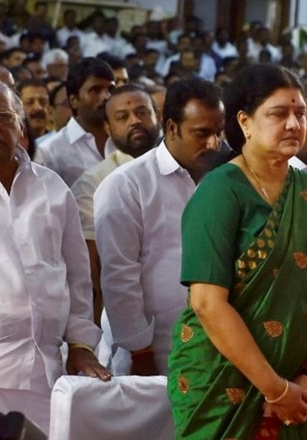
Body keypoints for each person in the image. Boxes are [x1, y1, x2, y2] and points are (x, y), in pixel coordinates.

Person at [167, 64, 307, 439]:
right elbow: (207, 303)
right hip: (220, 381)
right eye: (278, 114)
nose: (293, 124)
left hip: (295, 387)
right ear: (245, 122)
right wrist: (275, 388)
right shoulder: (220, 191)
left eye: (300, 113)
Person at [0, 77, 110, 433]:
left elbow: (77, 277)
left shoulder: (52, 188)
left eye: (2, 116)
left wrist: (80, 344)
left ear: (20, 125)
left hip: (44, 370)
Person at [96, 79, 224, 377]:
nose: (212, 143)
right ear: (172, 127)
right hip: (151, 350)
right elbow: (119, 276)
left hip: (217, 345)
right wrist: (139, 351)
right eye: (201, 133)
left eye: (218, 133)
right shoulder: (127, 184)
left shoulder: (223, 179)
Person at [71, 84, 160, 325]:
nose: (135, 121)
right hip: (126, 313)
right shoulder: (93, 182)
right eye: (122, 117)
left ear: (158, 117)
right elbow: (93, 266)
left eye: (142, 112)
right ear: (108, 128)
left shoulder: (183, 169)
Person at [36, 58, 116, 186]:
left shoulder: (126, 140)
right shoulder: (50, 151)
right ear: (74, 100)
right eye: (95, 90)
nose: (106, 97)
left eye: (110, 89)